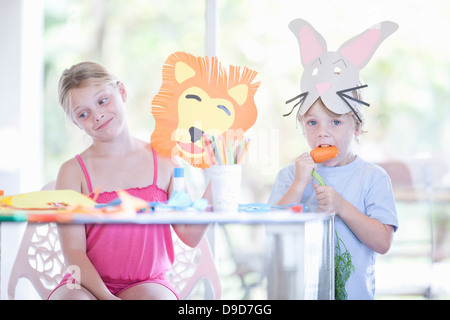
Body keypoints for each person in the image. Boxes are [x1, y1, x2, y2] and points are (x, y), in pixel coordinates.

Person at [48, 61, 207, 300]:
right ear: (76, 123)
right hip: (85, 284)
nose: (98, 115)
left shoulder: (165, 159)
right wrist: (106, 297)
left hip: (149, 282)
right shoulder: (72, 172)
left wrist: (223, 174)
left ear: (121, 91)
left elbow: (189, 235)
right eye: (84, 113)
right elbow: (73, 250)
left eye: (102, 101)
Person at [268, 94, 398, 299]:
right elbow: (273, 229)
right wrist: (299, 184)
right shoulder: (290, 175)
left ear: (356, 127)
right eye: (312, 123)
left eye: (335, 121)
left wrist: (342, 207)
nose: (322, 133)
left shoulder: (373, 177)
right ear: (303, 128)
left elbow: (383, 242)